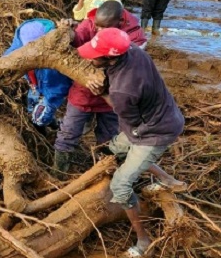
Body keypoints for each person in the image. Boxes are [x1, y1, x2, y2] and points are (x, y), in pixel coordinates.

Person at [77, 27, 186, 258]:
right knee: (116, 149)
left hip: (153, 132)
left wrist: (101, 92)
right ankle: (169, 180)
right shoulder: (134, 50)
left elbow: (126, 114)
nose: (90, 57)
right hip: (165, 114)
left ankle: (143, 240)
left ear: (111, 57)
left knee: (120, 184)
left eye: (95, 55)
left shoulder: (123, 91)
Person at [54, 1, 147, 177]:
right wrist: (67, 32)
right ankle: (59, 175)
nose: (97, 30)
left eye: (103, 28)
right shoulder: (92, 21)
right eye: (96, 26)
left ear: (119, 23)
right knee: (68, 132)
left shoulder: (134, 35)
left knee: (108, 138)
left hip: (113, 95)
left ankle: (102, 174)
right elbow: (77, 39)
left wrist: (104, 81)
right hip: (83, 90)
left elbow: (132, 69)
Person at [3, 19, 72, 133]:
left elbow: (58, 88)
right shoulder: (22, 38)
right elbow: (9, 55)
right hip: (35, 85)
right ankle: (50, 123)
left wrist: (49, 102)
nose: (27, 52)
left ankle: (51, 125)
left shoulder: (53, 65)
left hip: (50, 91)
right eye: (25, 48)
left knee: (39, 118)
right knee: (31, 107)